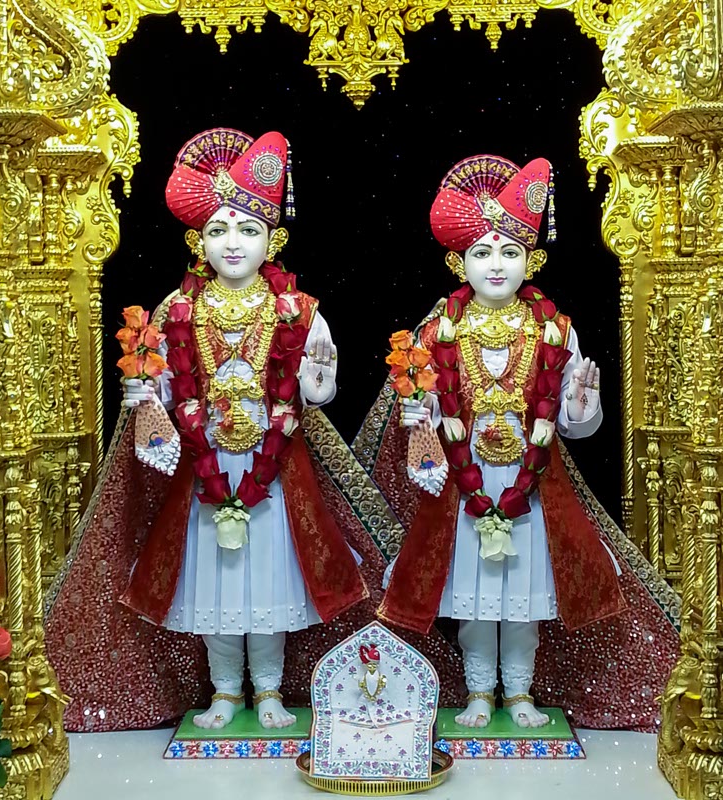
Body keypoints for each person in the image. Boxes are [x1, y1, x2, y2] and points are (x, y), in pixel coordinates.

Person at [46, 128, 370, 732]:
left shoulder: (302, 311)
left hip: (276, 470)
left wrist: (319, 382)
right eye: (219, 230)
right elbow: (166, 393)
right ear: (198, 240)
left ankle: (268, 690)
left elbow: (318, 394)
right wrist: (145, 394)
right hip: (205, 468)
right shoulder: (176, 309)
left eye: (249, 229)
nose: (233, 243)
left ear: (274, 238)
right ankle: (224, 691)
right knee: (217, 584)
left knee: (269, 578)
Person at [375, 154, 627, 729]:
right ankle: (479, 693)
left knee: (523, 597)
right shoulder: (437, 331)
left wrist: (581, 407)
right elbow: (421, 415)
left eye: (509, 252)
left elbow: (574, 425)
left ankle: (519, 693)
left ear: (531, 260)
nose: (495, 265)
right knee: (472, 592)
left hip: (530, 483)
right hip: (463, 485)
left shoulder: (555, 329)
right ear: (458, 260)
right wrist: (419, 414)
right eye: (481, 253)